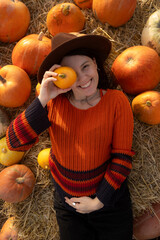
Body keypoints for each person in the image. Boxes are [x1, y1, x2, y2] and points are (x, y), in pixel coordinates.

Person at [6, 32, 134, 240]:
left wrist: (99, 201)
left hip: (109, 199)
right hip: (68, 203)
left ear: (95, 63)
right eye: (71, 72)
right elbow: (14, 142)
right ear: (60, 76)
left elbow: (122, 158)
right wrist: (43, 99)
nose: (83, 78)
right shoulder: (54, 104)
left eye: (85, 66)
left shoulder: (116, 101)